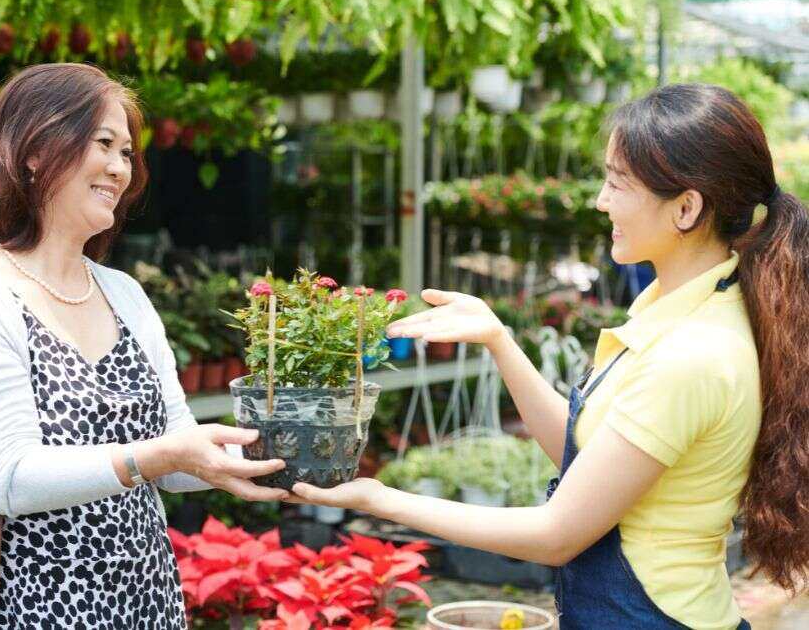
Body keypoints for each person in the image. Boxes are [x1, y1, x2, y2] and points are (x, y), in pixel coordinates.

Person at [291, 84, 809, 629]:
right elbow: (589, 458)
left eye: (617, 182)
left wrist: (380, 500)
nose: (600, 200)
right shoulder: (683, 307)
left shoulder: (692, 354)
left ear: (685, 208)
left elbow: (556, 535)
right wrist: (500, 341)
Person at [0, 63, 288, 630]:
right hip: (37, 609)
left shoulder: (123, 294)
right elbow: (10, 479)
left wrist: (284, 454)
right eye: (104, 145)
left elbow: (177, 452)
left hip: (148, 601)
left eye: (128, 153)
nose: (120, 168)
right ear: (36, 150)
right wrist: (157, 457)